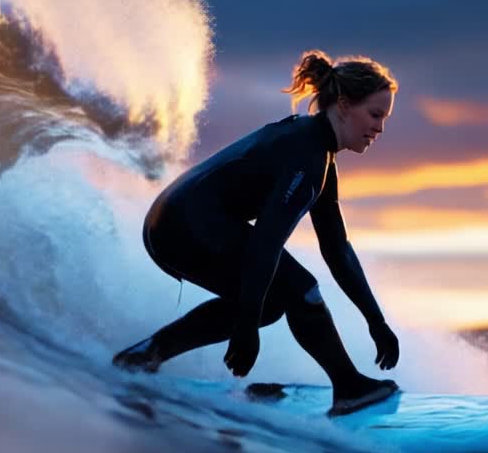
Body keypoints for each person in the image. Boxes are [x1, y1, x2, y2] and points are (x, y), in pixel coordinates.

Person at [113, 49, 401, 416]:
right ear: (344, 104)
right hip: (182, 226)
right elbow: (266, 243)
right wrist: (246, 329)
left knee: (274, 299)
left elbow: (337, 248)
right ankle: (349, 387)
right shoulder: (306, 155)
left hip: (174, 222)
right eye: (375, 115)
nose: (379, 127)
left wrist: (375, 320)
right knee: (299, 289)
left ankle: (145, 356)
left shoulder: (318, 154)